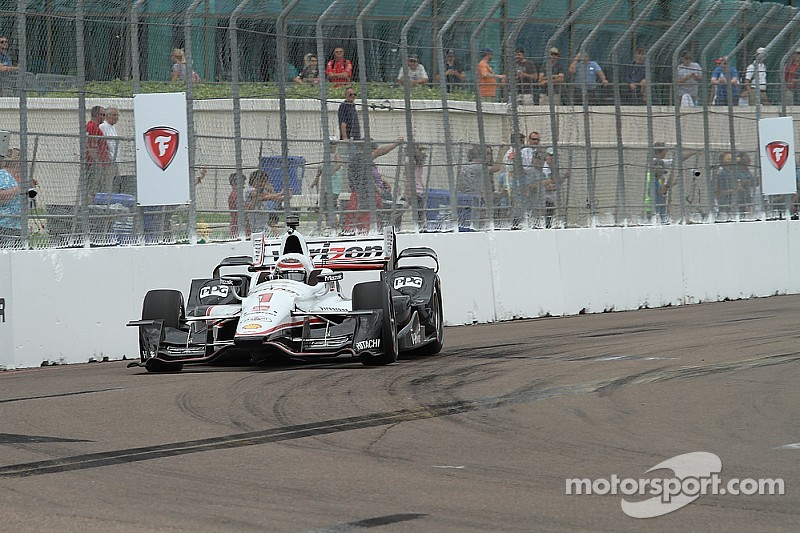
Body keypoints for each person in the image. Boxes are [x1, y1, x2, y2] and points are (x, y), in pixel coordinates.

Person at [342, 138, 404, 233]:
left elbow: (371, 175)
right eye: (373, 150)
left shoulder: (367, 162)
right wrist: (396, 144)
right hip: (366, 195)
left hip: (373, 194)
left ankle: (389, 228)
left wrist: (382, 181)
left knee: (394, 209)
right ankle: (389, 229)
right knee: (390, 211)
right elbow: (380, 152)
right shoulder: (360, 158)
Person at [311, 137, 346, 223]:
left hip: (334, 186)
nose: (331, 146)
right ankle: (329, 225)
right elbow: (321, 167)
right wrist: (316, 178)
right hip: (326, 186)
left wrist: (332, 172)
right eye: (330, 143)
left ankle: (335, 225)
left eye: (333, 144)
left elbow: (339, 164)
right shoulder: (326, 155)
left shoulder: (335, 154)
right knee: (325, 207)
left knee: (331, 206)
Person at [246, 170, 284, 236]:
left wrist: (284, 196)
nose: (264, 184)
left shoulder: (261, 191)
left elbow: (273, 198)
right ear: (255, 181)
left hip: (263, 223)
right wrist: (280, 193)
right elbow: (264, 197)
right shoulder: (251, 190)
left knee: (271, 232)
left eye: (265, 182)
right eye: (262, 181)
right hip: (254, 224)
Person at [85, 105, 110, 204]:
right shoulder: (91, 127)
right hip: (94, 165)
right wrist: (98, 163)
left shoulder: (96, 127)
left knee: (98, 190)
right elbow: (91, 147)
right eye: (103, 115)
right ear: (96, 115)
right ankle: (89, 211)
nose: (104, 117)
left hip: (99, 164)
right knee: (93, 190)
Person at [646, 142, 674, 222]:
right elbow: (661, 191)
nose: (662, 174)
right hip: (653, 208)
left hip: (658, 208)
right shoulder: (653, 180)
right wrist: (664, 181)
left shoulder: (656, 180)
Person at [0, 149, 21, 247]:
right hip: (3, 225)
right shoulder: (2, 175)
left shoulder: (13, 177)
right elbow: (1, 197)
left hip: (16, 225)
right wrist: (18, 190)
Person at [228, 172, 251, 239]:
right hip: (238, 224)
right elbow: (245, 210)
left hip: (241, 223)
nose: (244, 184)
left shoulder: (237, 194)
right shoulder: (235, 195)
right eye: (243, 182)